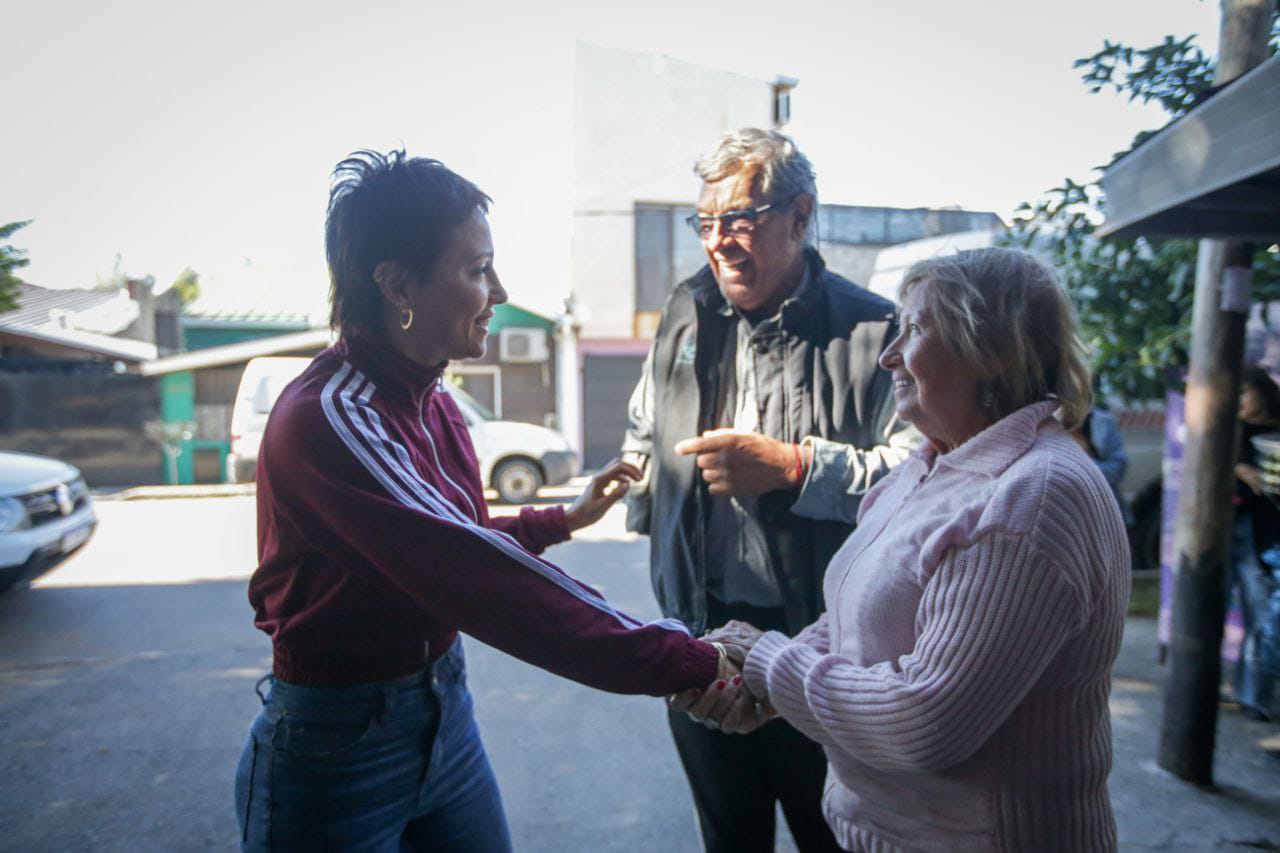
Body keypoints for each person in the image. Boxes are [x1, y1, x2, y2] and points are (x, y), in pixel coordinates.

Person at [234, 150, 736, 852]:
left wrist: (561, 518)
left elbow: (447, 539)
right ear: (397, 285)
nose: (498, 290)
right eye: (476, 269)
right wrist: (688, 660)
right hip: (335, 746)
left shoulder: (432, 400)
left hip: (443, 710)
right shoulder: (332, 419)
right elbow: (472, 573)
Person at [691, 247, 1130, 850]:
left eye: (916, 329)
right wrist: (767, 681)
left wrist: (770, 662)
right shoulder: (930, 464)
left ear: (994, 351)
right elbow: (855, 620)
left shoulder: (1033, 497)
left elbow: (926, 719)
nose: (889, 354)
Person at [622, 128, 915, 853]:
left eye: (739, 219)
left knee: (836, 836)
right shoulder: (686, 310)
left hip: (825, 656)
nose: (718, 242)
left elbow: (919, 479)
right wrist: (633, 486)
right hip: (702, 642)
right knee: (730, 837)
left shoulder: (874, 329)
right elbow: (645, 423)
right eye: (705, 223)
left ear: (800, 215)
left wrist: (795, 467)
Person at [1229, 365, 1280, 720]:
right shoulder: (1232, 430)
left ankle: (1256, 696)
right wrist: (1237, 467)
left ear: (1263, 391)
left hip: (1269, 533)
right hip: (1236, 531)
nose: (1240, 401)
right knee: (1254, 611)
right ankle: (1250, 694)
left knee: (1262, 616)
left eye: (1244, 392)